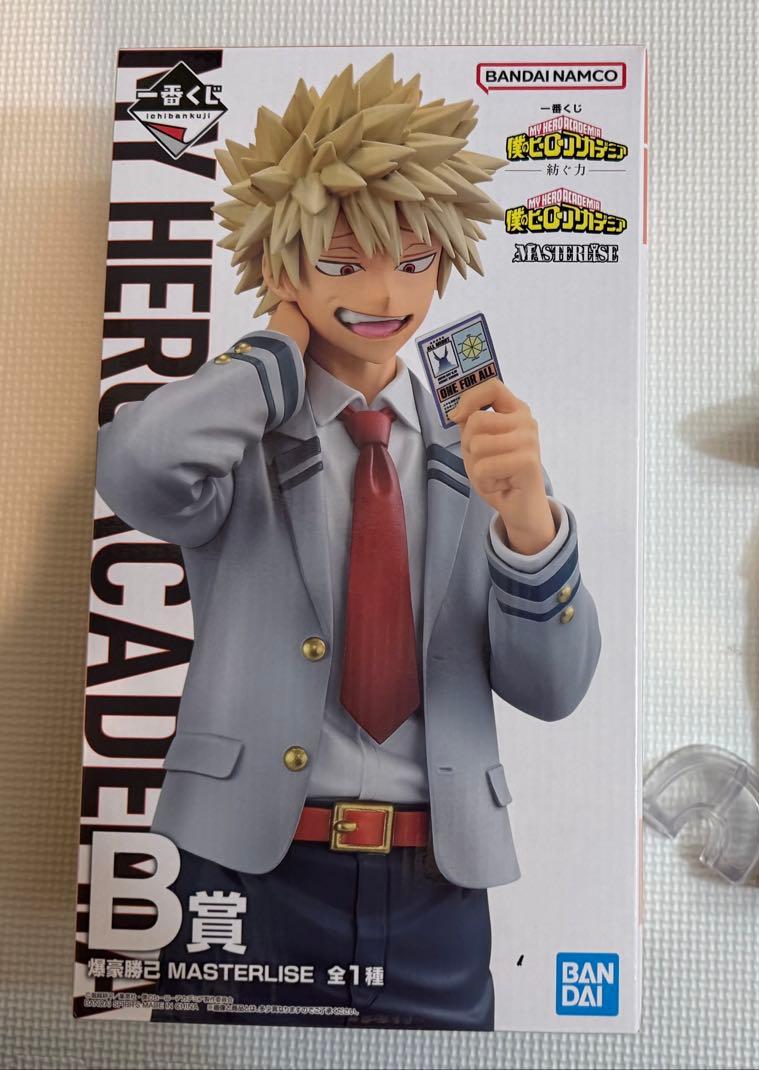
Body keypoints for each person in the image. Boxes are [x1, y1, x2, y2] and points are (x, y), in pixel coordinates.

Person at [96, 56, 601, 1027]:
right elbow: (137, 468)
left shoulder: (479, 443)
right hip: (246, 869)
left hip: (439, 882)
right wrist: (270, 358)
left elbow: (553, 689)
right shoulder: (237, 437)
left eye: (413, 260)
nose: (383, 291)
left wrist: (529, 521)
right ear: (281, 268)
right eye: (340, 263)